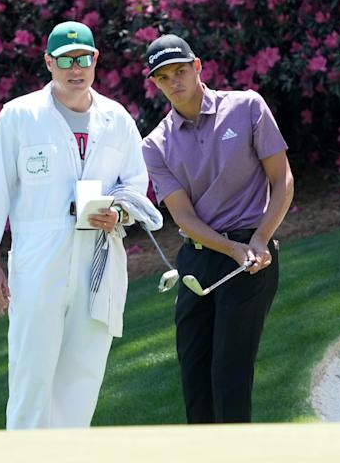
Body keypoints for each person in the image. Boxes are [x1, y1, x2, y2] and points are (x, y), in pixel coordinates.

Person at [0, 20, 154, 429]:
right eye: (66, 60)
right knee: (31, 375)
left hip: (98, 261)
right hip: (38, 265)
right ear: (49, 64)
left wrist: (121, 212)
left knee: (82, 376)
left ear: (96, 60)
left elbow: (136, 183)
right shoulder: (19, 116)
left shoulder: (116, 118)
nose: (77, 69)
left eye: (84, 59)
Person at [140, 34, 294, 423]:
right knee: (194, 374)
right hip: (201, 255)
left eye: (180, 71)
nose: (174, 81)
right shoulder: (155, 144)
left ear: (197, 66)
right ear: (155, 83)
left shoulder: (246, 107)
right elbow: (185, 217)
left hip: (251, 252)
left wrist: (260, 239)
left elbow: (283, 180)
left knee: (229, 373)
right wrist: (228, 249)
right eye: (163, 77)